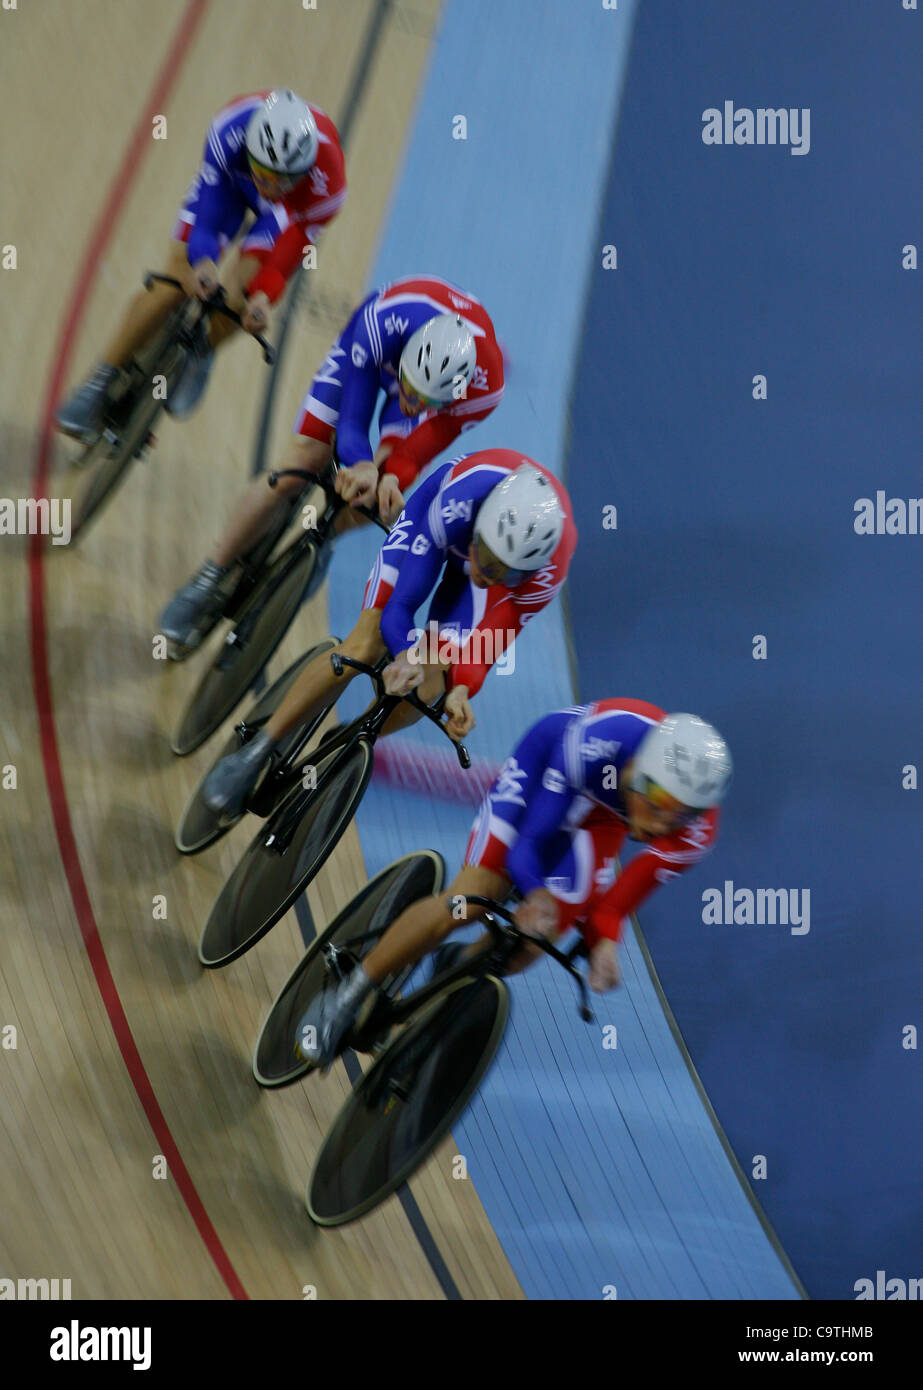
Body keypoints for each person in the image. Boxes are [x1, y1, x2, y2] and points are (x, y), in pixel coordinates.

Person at [296, 702, 733, 1068]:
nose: (661, 825)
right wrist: (534, 891)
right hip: (548, 769)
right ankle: (349, 994)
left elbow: (612, 908)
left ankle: (454, 971)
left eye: (678, 815)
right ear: (641, 770)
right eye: (658, 803)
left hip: (602, 819)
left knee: (536, 943)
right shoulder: (600, 740)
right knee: (470, 902)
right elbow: (530, 844)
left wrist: (604, 946)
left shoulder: (694, 835)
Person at [200, 448, 576, 818]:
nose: (489, 573)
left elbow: (493, 637)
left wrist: (462, 689)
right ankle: (261, 747)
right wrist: (405, 652)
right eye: (488, 557)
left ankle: (353, 740)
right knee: (365, 645)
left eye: (505, 572)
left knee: (431, 687)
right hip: (436, 533)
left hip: (485, 578)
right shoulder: (460, 502)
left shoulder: (546, 572)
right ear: (481, 528)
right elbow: (401, 608)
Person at [157, 273, 504, 654]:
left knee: (379, 494)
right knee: (303, 462)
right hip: (374, 358)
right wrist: (360, 463)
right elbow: (353, 419)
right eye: (411, 391)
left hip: (426, 381)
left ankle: (326, 539)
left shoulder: (483, 392)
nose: (414, 404)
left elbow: (415, 449)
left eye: (428, 402)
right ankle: (211, 573)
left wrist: (387, 478)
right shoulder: (384, 322)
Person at [55, 88, 346, 438]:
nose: (270, 185)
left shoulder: (327, 187)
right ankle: (99, 380)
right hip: (230, 184)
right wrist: (203, 262)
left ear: (303, 172)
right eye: (264, 173)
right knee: (174, 284)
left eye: (282, 179)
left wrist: (263, 298)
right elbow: (206, 221)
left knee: (241, 300)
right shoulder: (229, 131)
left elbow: (284, 257)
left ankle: (204, 350)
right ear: (251, 152)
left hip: (287, 215)